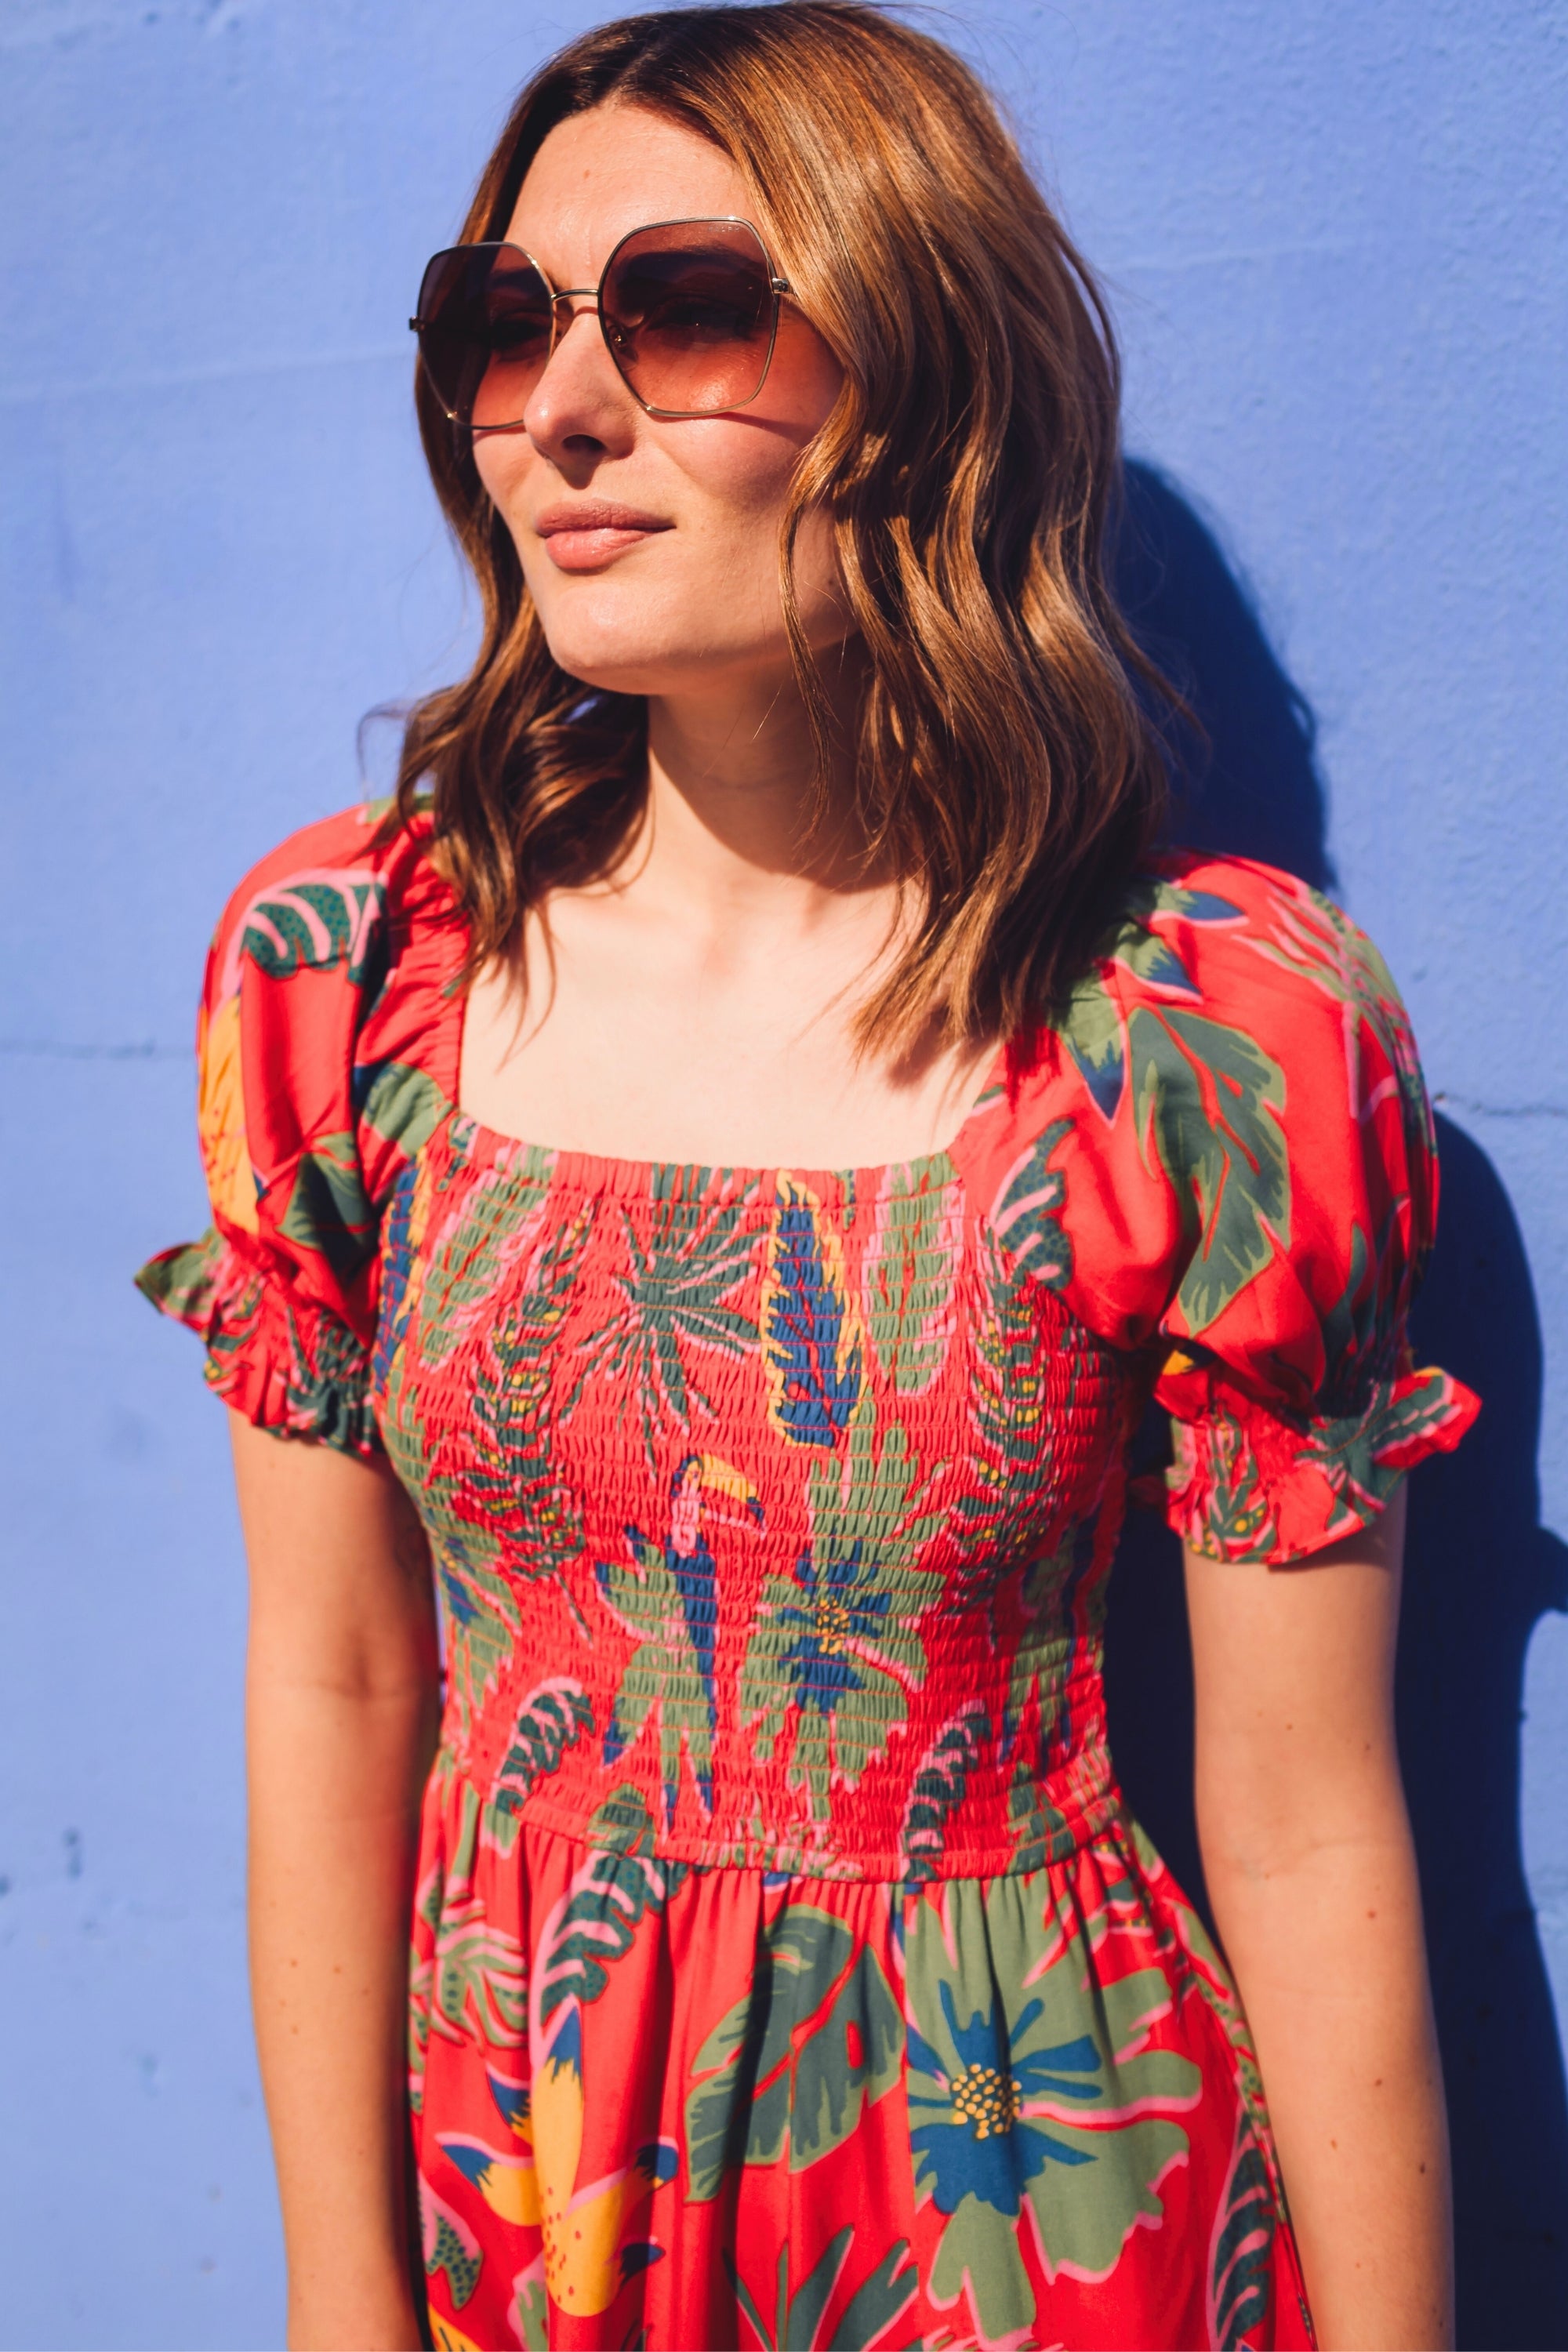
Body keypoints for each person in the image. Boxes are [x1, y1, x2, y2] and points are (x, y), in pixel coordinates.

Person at [137, 7, 1481, 2346]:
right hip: (528, 2206)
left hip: (1025, 2212)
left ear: (923, 376)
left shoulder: (1200, 1034)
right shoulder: (347, 978)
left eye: (687, 310)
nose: (561, 411)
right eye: (501, 324)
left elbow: (1304, 1827)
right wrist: (340, 2297)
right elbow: (340, 1682)